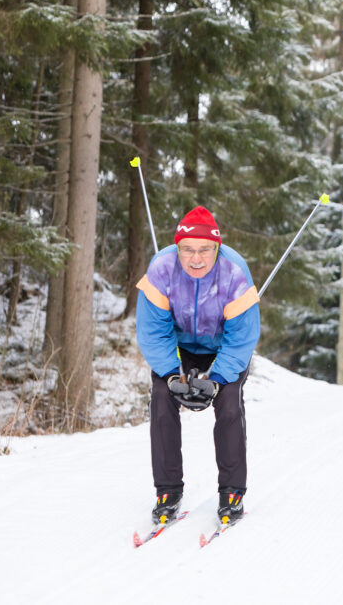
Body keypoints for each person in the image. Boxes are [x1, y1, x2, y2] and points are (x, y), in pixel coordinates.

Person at [135, 206, 260, 525]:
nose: (196, 258)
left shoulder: (234, 271)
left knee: (229, 404)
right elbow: (153, 332)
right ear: (177, 249)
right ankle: (168, 490)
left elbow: (242, 337)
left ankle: (232, 492)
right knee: (162, 400)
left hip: (223, 351)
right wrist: (171, 374)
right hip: (178, 350)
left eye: (205, 250)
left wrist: (217, 380)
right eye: (187, 250)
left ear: (217, 248)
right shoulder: (161, 269)